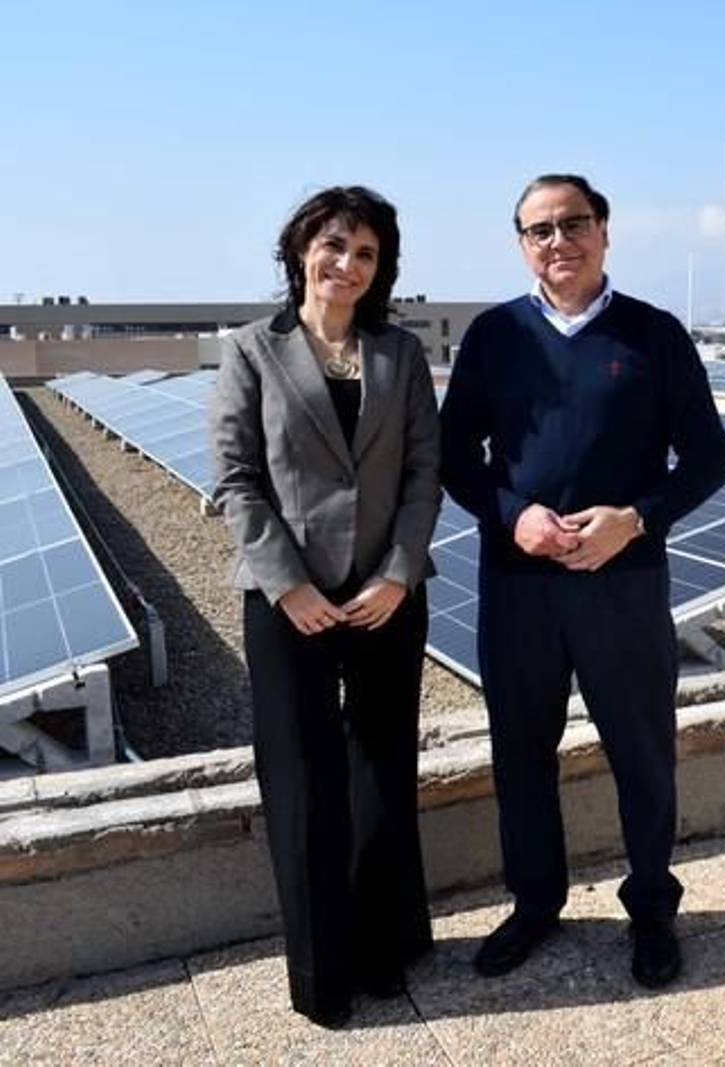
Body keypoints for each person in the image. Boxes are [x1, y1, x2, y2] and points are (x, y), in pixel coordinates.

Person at [439, 173, 725, 989]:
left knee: (643, 753)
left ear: (605, 231)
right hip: (518, 585)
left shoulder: (655, 336)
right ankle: (536, 904)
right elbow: (455, 456)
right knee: (520, 752)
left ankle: (651, 910)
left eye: (574, 224)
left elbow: (710, 459)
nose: (558, 241)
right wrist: (512, 513)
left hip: (624, 583)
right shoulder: (494, 337)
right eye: (540, 229)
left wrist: (633, 519)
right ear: (520, 243)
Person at [210, 185, 442, 1028]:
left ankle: (387, 949)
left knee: (382, 771)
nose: (348, 264)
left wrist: (398, 575)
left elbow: (424, 473)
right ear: (300, 248)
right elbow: (236, 479)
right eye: (335, 245)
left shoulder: (399, 356)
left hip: (387, 593)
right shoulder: (249, 350)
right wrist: (290, 586)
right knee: (303, 783)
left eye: (367, 253)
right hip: (289, 601)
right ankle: (321, 975)